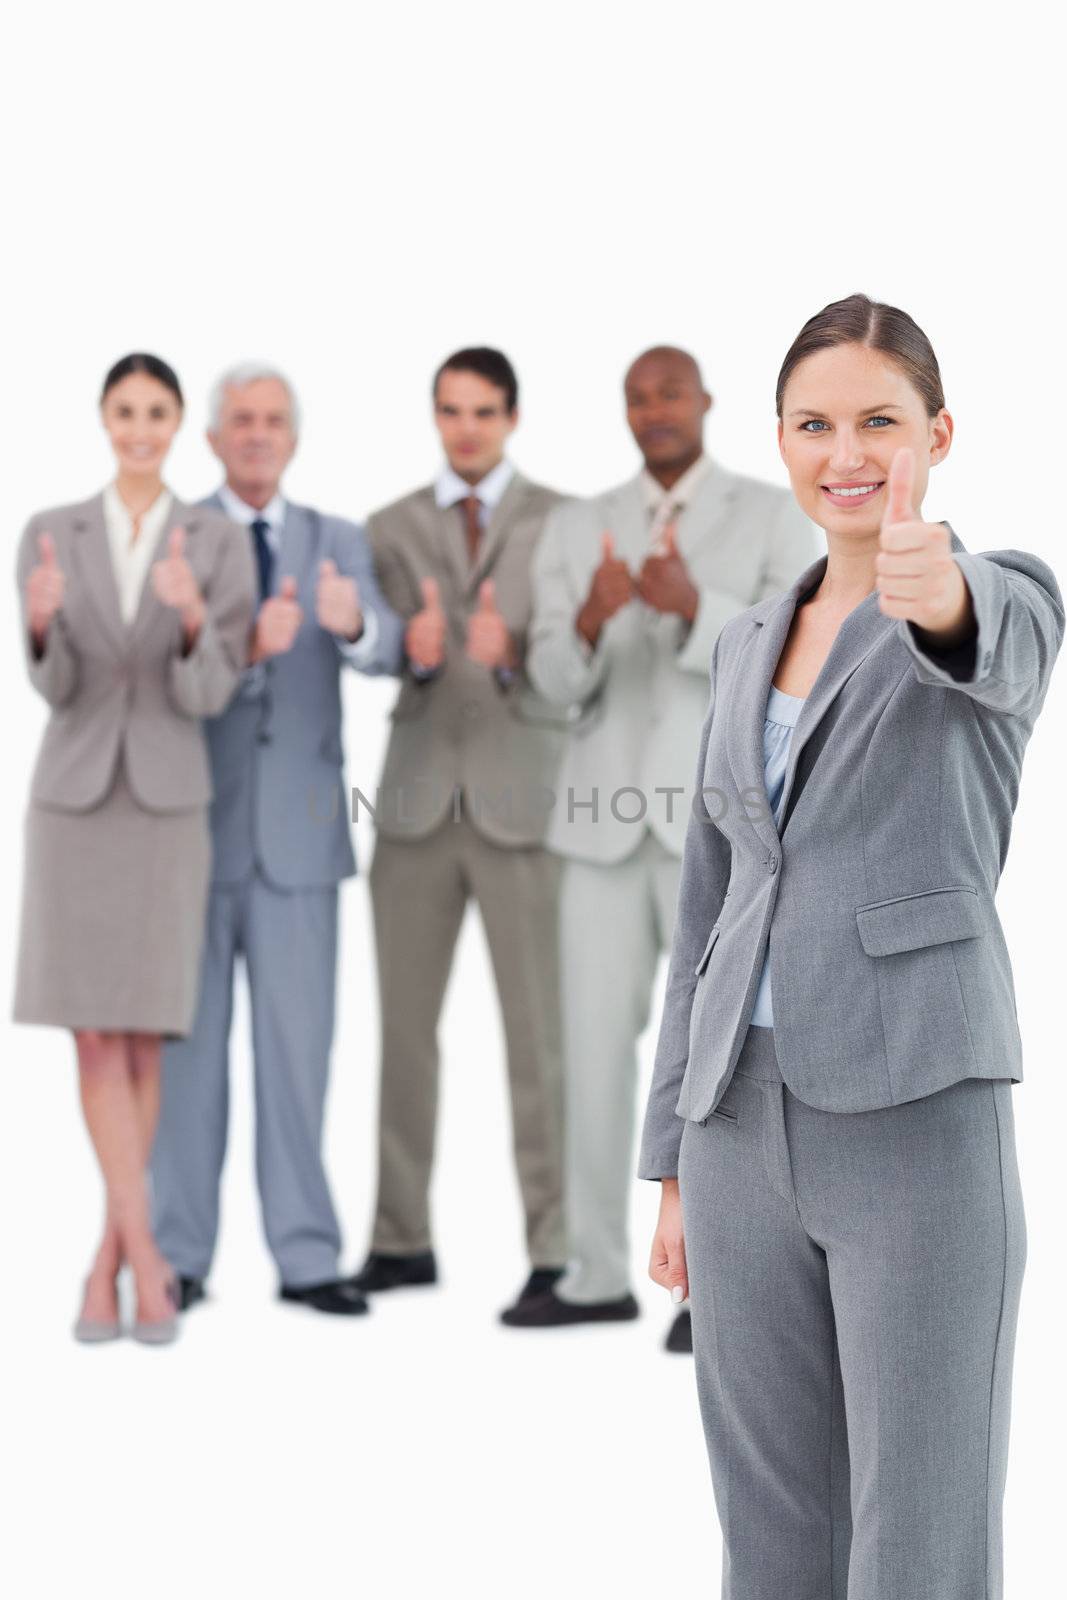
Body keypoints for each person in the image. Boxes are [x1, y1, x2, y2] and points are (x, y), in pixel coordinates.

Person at [640, 295, 1064, 1599]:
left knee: (914, 1539)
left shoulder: (990, 599)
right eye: (814, 424)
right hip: (733, 1128)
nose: (847, 452)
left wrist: (939, 591)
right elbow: (704, 909)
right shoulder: (743, 642)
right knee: (767, 1536)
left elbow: (990, 639)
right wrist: (669, 1157)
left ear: (934, 433)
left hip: (909, 1114)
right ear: (777, 441)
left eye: (878, 421)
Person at [515, 346, 815, 1346]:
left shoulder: (771, 514)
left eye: (668, 392)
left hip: (720, 822)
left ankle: (712, 1286)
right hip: (598, 828)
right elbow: (549, 684)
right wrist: (593, 620)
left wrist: (694, 605)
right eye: (636, 397)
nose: (653, 410)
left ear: (703, 403)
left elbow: (797, 655)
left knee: (718, 1058)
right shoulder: (571, 524)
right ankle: (596, 1270)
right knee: (590, 1057)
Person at [151, 363, 404, 1317]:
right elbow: (154, 669)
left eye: (272, 421)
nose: (257, 435)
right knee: (189, 1061)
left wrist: (353, 627)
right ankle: (179, 1252)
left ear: (292, 439)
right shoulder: (178, 539)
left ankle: (306, 1256)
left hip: (299, 845)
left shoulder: (335, 539)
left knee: (300, 1056)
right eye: (240, 422)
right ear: (212, 439)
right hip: (193, 836)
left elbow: (384, 645)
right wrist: (239, 647)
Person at [13, 353, 256, 1344]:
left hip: (164, 801)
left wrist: (193, 614)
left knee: (147, 1028)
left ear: (176, 421)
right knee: (90, 1030)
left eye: (158, 411)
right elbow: (58, 687)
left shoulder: (216, 539)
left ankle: (116, 1256)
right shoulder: (49, 532)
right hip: (72, 803)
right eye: (127, 411)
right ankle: (141, 1251)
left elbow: (211, 693)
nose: (142, 427)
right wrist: (37, 629)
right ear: (105, 419)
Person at [353, 347, 569, 1319]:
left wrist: (512, 655)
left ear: (512, 415)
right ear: (434, 416)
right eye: (450, 410)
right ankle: (399, 1240)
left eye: (483, 410)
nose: (466, 427)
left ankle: (556, 1248)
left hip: (523, 804)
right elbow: (366, 640)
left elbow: (576, 661)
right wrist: (410, 645)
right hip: (412, 807)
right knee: (403, 1033)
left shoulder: (562, 521)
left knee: (539, 1038)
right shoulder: (387, 526)